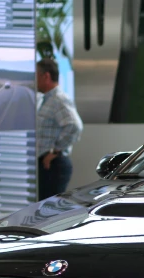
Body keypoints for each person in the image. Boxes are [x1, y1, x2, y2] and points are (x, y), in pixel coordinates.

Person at [36, 58, 83, 200]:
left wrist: (55, 151)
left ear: (46, 76)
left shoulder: (58, 99)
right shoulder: (47, 99)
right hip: (47, 166)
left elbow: (74, 126)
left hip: (53, 165)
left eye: (36, 75)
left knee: (49, 212)